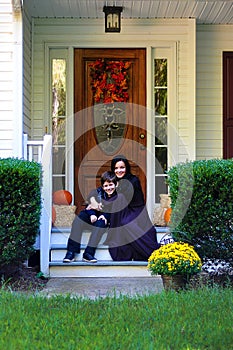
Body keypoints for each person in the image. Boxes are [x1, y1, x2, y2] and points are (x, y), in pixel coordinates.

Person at [104, 155, 160, 261]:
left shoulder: (133, 180)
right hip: (123, 211)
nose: (119, 170)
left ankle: (153, 252)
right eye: (116, 168)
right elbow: (103, 193)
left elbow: (125, 198)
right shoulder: (112, 181)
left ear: (127, 168)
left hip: (136, 210)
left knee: (127, 224)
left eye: (122, 167)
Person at [63, 171, 118, 263]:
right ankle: (71, 251)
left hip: (103, 220)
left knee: (100, 223)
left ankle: (88, 253)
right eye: (106, 186)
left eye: (111, 185)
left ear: (116, 184)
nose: (108, 188)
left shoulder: (117, 197)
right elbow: (89, 205)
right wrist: (92, 214)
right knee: (79, 218)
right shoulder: (97, 193)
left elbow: (114, 210)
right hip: (92, 217)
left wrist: (105, 216)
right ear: (102, 186)